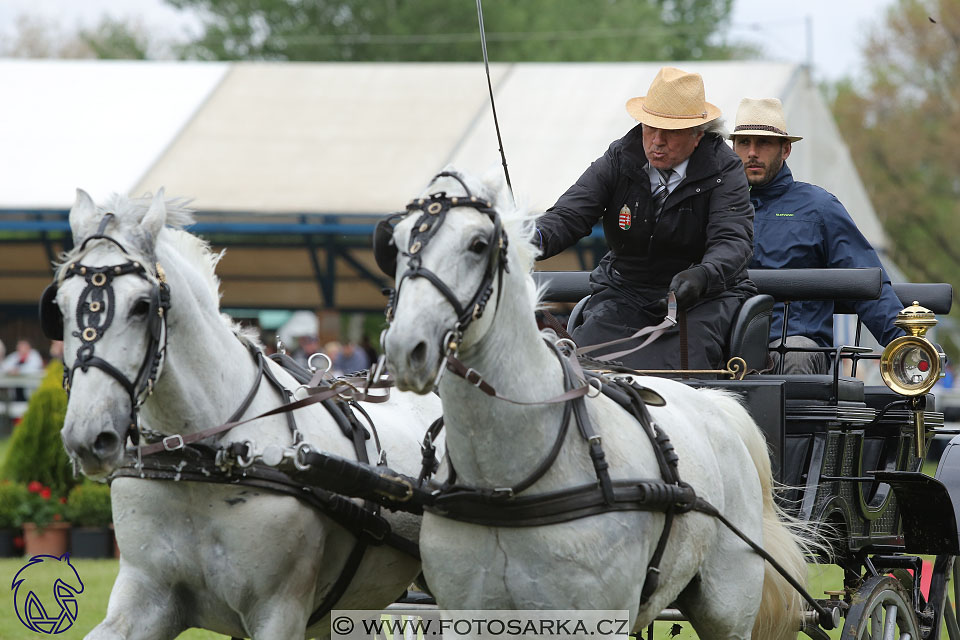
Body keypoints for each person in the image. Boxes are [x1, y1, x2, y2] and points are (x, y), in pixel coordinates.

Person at [536, 66, 756, 370]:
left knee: (686, 371)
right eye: (650, 128)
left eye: (670, 131)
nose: (657, 141)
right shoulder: (619, 157)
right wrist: (528, 239)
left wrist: (703, 275)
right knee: (581, 368)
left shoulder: (725, 169)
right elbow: (569, 214)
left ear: (697, 135)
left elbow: (732, 239)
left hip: (703, 300)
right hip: (623, 293)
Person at [729, 97, 904, 374]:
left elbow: (866, 281)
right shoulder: (718, 207)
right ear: (733, 148)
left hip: (796, 348)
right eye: (744, 143)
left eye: (763, 143)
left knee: (794, 353)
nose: (752, 152)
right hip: (729, 345)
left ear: (785, 149)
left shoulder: (819, 208)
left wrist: (905, 345)